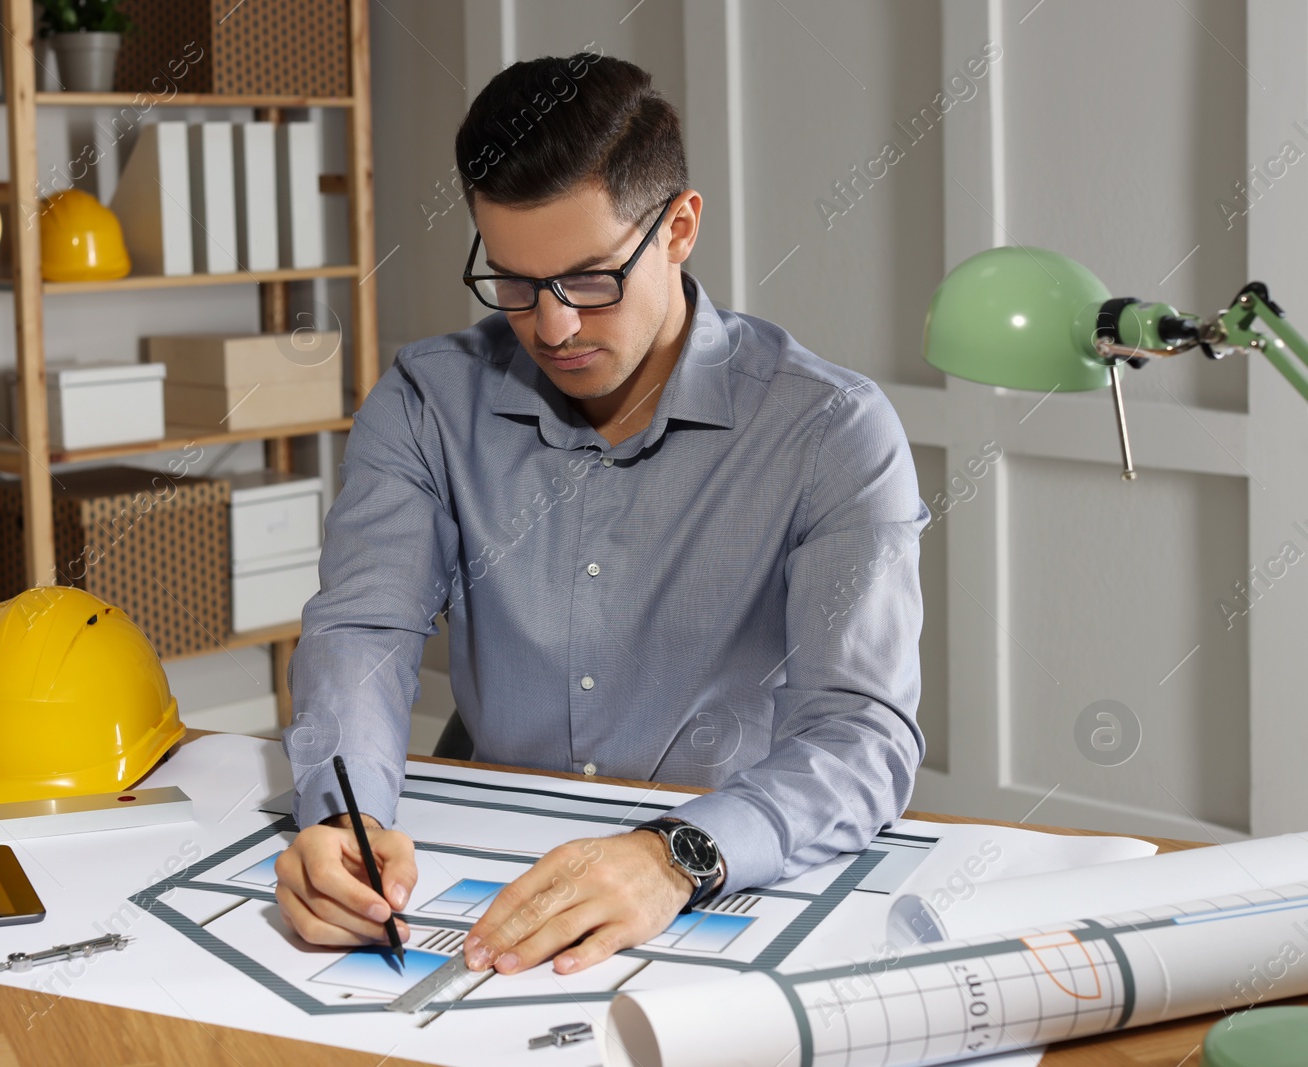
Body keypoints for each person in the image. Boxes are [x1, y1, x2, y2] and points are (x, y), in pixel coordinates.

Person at [275, 50, 929, 978]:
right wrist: (343, 817)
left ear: (680, 227)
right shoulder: (426, 398)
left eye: (589, 280)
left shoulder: (832, 429)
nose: (552, 328)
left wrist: (677, 853)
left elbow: (862, 736)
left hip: (724, 870)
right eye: (512, 282)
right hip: (485, 863)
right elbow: (363, 626)